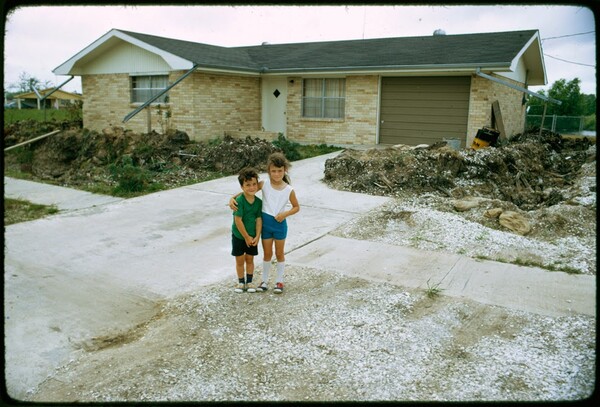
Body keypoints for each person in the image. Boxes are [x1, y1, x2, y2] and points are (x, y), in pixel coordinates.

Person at [230, 152, 299, 294]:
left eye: (279, 171)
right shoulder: (264, 184)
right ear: (269, 171)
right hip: (265, 225)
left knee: (279, 253)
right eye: (273, 171)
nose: (276, 174)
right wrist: (232, 198)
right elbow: (248, 191)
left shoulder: (289, 190)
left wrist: (285, 214)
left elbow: (296, 207)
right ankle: (264, 281)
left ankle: (279, 281)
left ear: (284, 170)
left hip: (279, 225)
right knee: (267, 254)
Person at [231, 167, 262, 293]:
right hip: (239, 235)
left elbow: (259, 220)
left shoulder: (259, 202)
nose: (251, 187)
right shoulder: (239, 201)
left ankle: (249, 282)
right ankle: (240, 282)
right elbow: (237, 220)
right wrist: (246, 237)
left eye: (254, 184)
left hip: (253, 236)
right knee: (240, 260)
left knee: (250, 259)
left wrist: (257, 236)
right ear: (242, 187)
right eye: (248, 185)